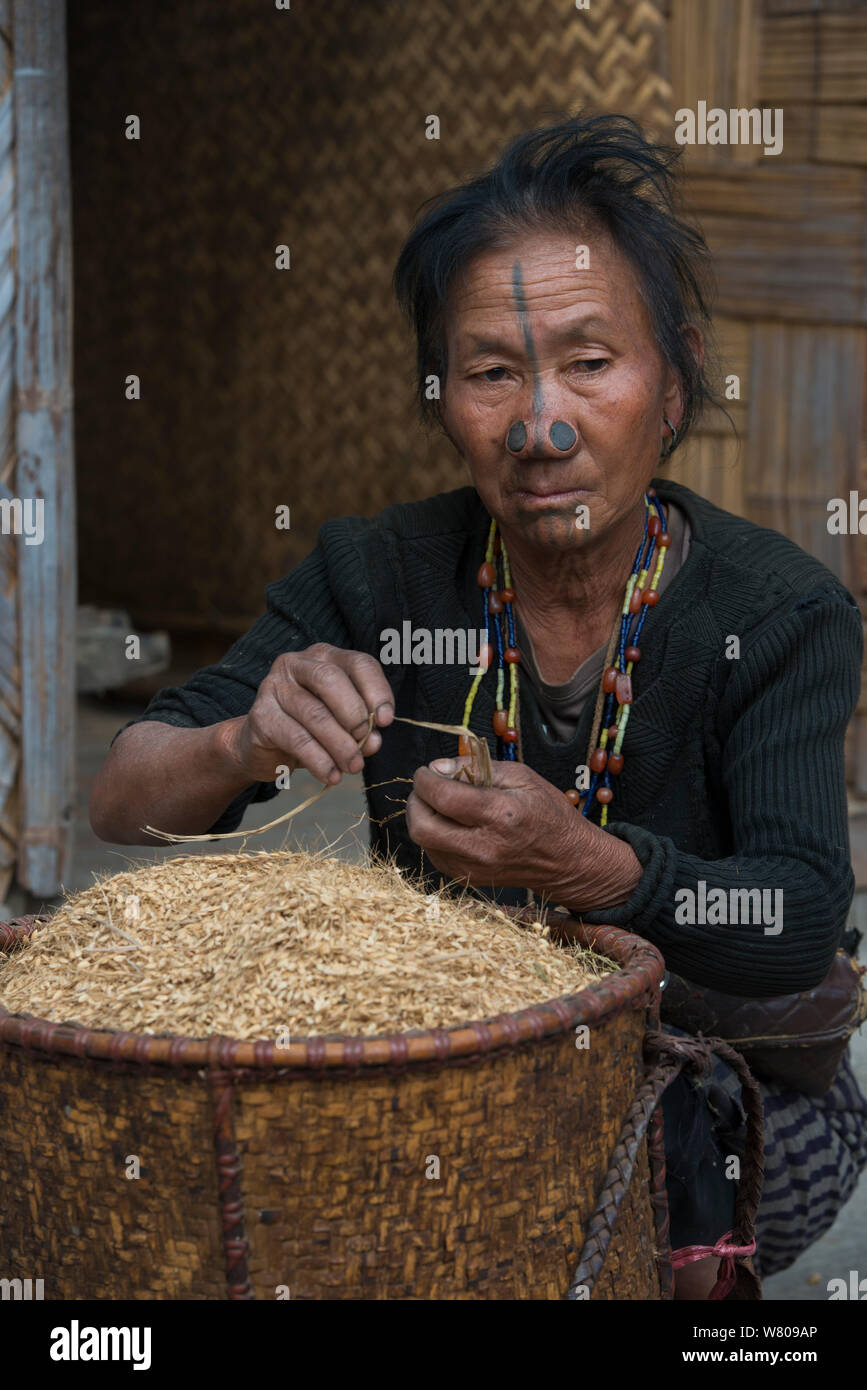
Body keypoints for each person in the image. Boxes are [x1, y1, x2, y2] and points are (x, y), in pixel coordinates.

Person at [91, 113, 867, 1298]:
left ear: (673, 384)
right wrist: (246, 737)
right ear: (443, 397)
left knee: (642, 1209)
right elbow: (123, 797)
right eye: (493, 372)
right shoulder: (376, 574)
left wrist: (586, 864)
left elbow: (798, 914)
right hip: (447, 1066)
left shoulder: (778, 612)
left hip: (707, 1069)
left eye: (591, 364)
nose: (541, 426)